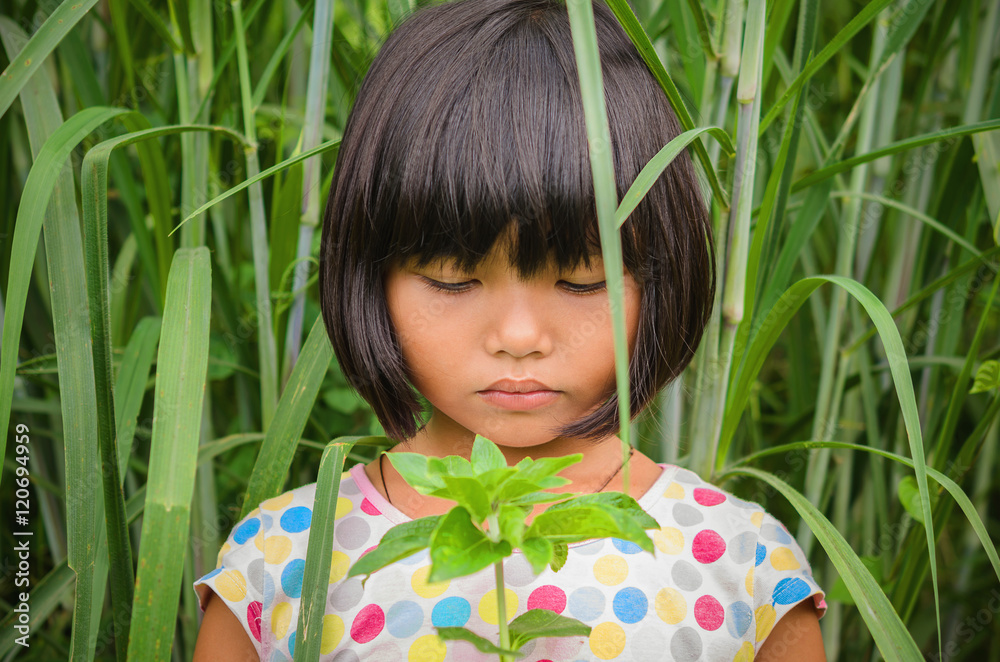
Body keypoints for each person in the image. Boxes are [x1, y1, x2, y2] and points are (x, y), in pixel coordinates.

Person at [192, 0, 827, 659]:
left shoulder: (743, 568)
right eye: (451, 278)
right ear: (368, 275)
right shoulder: (285, 562)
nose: (519, 336)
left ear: (660, 279)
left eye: (582, 280)